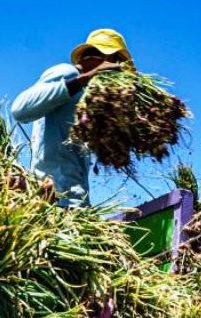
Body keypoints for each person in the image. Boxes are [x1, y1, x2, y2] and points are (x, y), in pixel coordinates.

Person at [11, 29, 134, 207]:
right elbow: (20, 109)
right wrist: (85, 78)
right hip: (53, 199)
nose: (116, 73)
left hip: (76, 202)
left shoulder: (87, 97)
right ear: (98, 58)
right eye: (115, 64)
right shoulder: (68, 73)